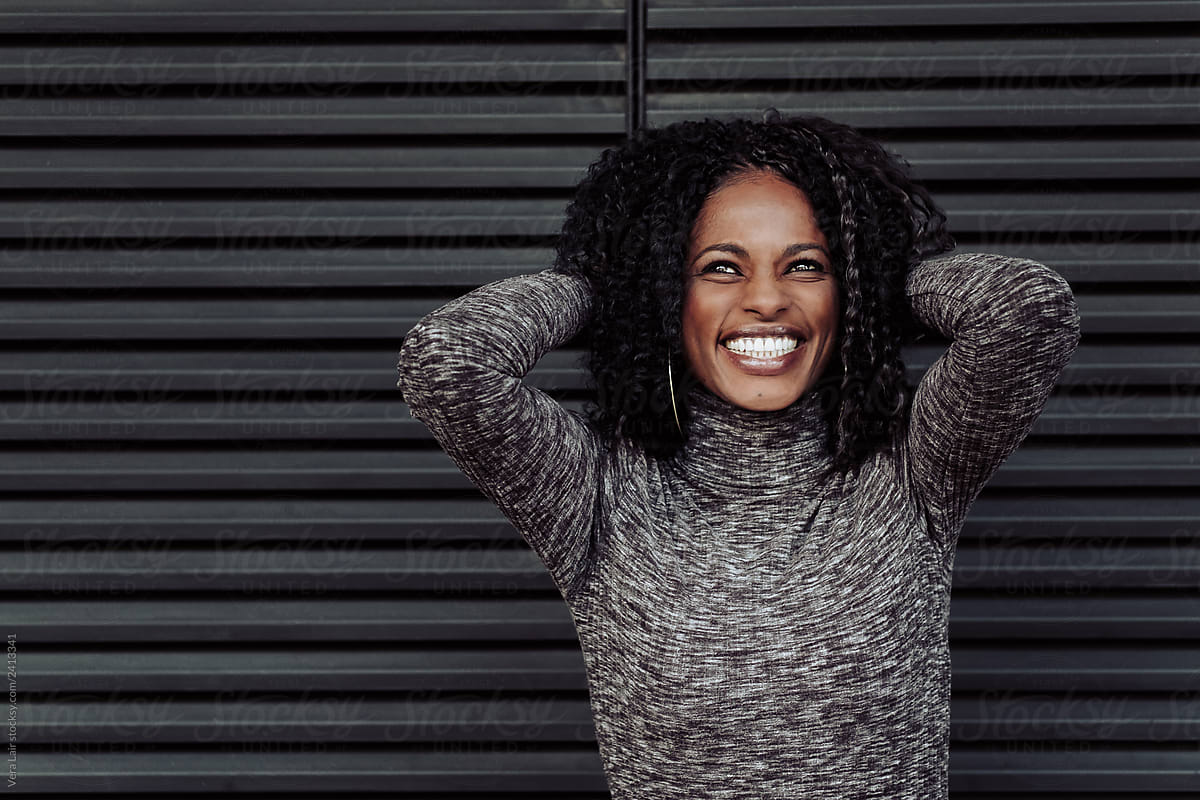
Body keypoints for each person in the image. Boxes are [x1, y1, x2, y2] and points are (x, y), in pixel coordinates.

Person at [396, 111, 1081, 799]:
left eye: (806, 266)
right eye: (721, 267)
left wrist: (873, 280)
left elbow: (1026, 310)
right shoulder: (598, 492)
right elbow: (449, 360)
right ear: (669, 292)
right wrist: (617, 285)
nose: (766, 300)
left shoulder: (913, 471)